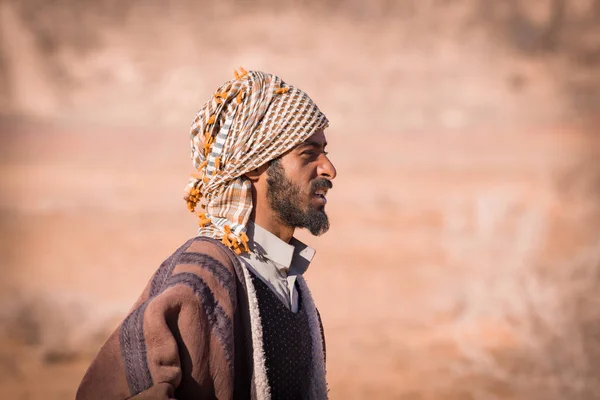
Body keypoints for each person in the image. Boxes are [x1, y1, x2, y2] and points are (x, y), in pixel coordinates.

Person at [76, 68, 337, 400]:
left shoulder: (291, 281)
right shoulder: (204, 274)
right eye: (308, 154)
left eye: (325, 152)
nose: (329, 169)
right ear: (255, 165)